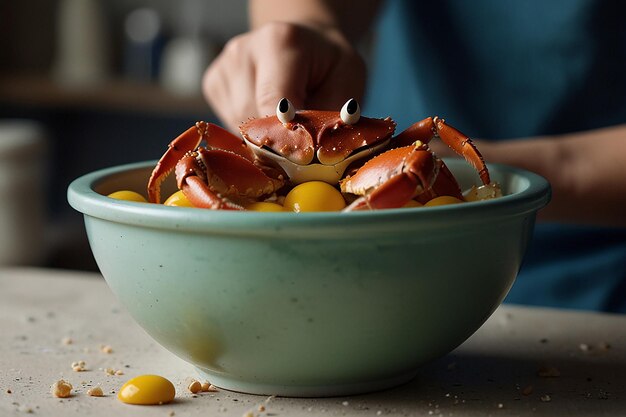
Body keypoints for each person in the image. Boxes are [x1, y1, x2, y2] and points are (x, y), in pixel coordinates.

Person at [203, 0, 626, 312]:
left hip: (595, 287)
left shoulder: (422, 157)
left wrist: (480, 183)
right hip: (370, 267)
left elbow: (435, 133)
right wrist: (305, 25)